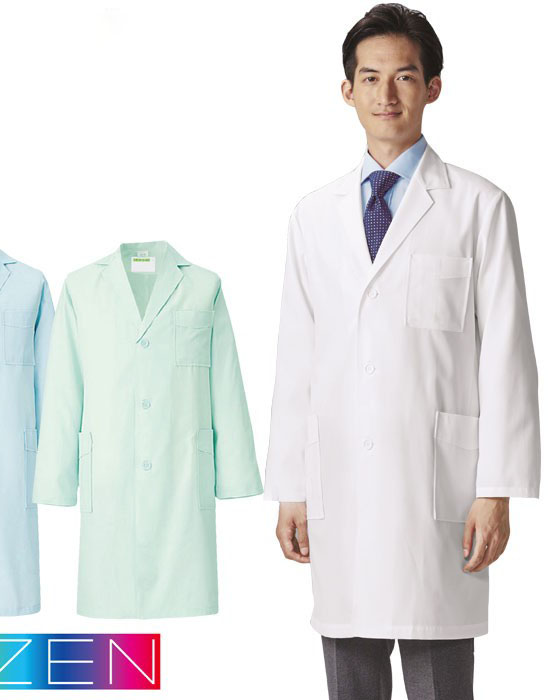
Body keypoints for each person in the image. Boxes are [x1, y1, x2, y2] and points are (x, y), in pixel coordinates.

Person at [263, 4, 540, 699]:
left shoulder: (480, 206)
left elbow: (507, 354)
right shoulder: (313, 216)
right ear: (347, 90)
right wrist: (291, 485)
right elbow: (297, 356)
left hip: (438, 493)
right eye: (370, 77)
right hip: (340, 490)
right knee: (350, 674)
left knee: (439, 673)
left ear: (433, 86)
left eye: (406, 77)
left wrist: (496, 489)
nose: (387, 94)